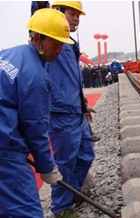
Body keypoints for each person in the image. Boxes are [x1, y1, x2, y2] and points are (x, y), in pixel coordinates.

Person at [0, 8, 73, 217]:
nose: (59, 50)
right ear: (38, 37)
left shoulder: (9, 54)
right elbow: (36, 127)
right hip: (5, 150)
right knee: (27, 212)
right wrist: (47, 167)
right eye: (55, 43)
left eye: (61, 44)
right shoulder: (36, 76)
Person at [46, 2, 95, 217]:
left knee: (86, 155)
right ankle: (61, 208)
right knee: (64, 163)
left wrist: (83, 105)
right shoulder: (50, 39)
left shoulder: (70, 43)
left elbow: (73, 78)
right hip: (60, 114)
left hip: (76, 111)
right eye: (71, 14)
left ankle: (73, 191)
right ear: (57, 13)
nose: (76, 19)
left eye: (78, 15)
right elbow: (38, 14)